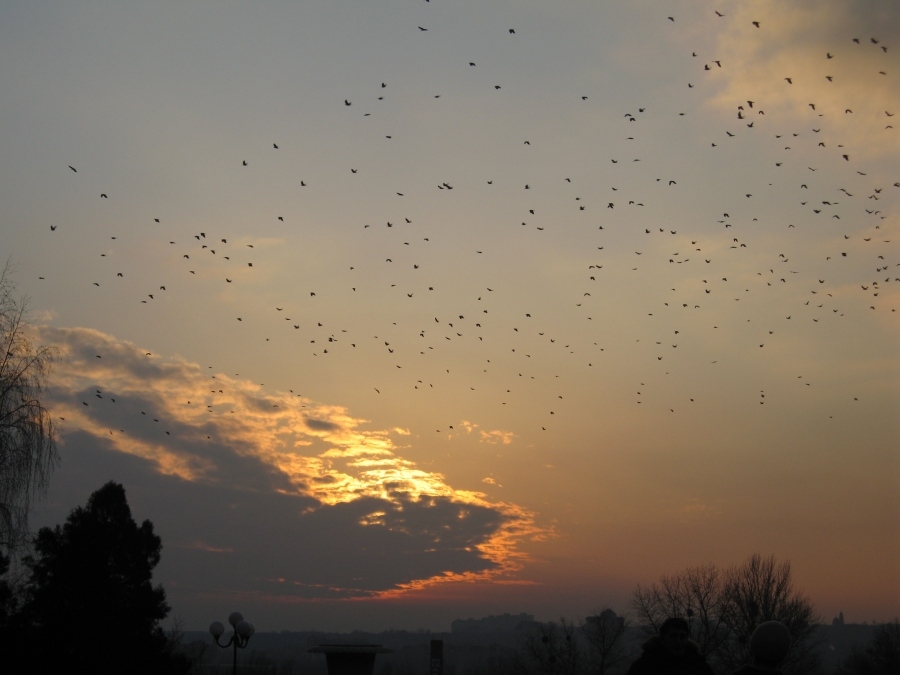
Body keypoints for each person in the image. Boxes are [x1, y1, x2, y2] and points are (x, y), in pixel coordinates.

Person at [626, 617, 715, 675]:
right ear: (663, 639)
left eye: (682, 636)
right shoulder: (644, 667)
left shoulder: (699, 666)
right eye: (673, 636)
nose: (678, 641)